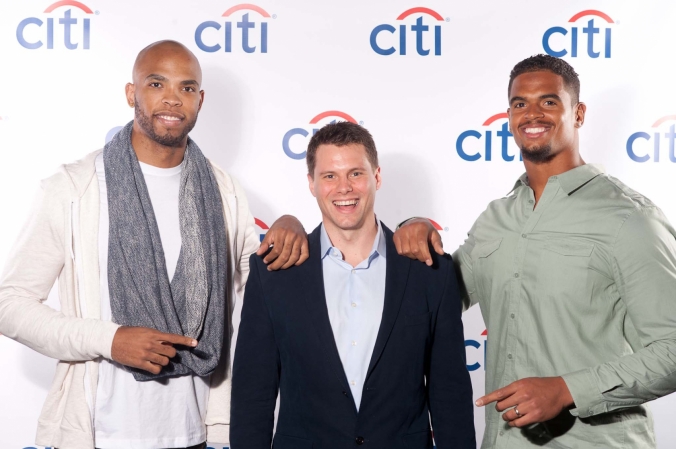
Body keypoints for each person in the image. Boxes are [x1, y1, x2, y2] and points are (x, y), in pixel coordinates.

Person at [0, 40, 307, 449]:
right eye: (156, 83)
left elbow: (259, 292)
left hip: (196, 433)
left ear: (200, 100)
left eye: (186, 88)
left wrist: (290, 224)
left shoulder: (223, 190)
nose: (172, 99)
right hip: (97, 434)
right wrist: (109, 339)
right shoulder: (75, 188)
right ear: (132, 93)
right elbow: (11, 304)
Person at [393, 54, 676, 448]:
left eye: (548, 101)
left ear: (577, 113)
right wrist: (413, 225)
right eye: (519, 104)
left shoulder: (630, 218)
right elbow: (435, 299)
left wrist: (567, 389)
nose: (532, 114)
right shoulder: (497, 217)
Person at [230, 122, 475, 449]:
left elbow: (450, 394)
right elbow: (252, 395)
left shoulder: (430, 270)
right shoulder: (273, 273)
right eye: (329, 176)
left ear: (376, 177)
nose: (343, 188)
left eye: (355, 174)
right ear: (311, 184)